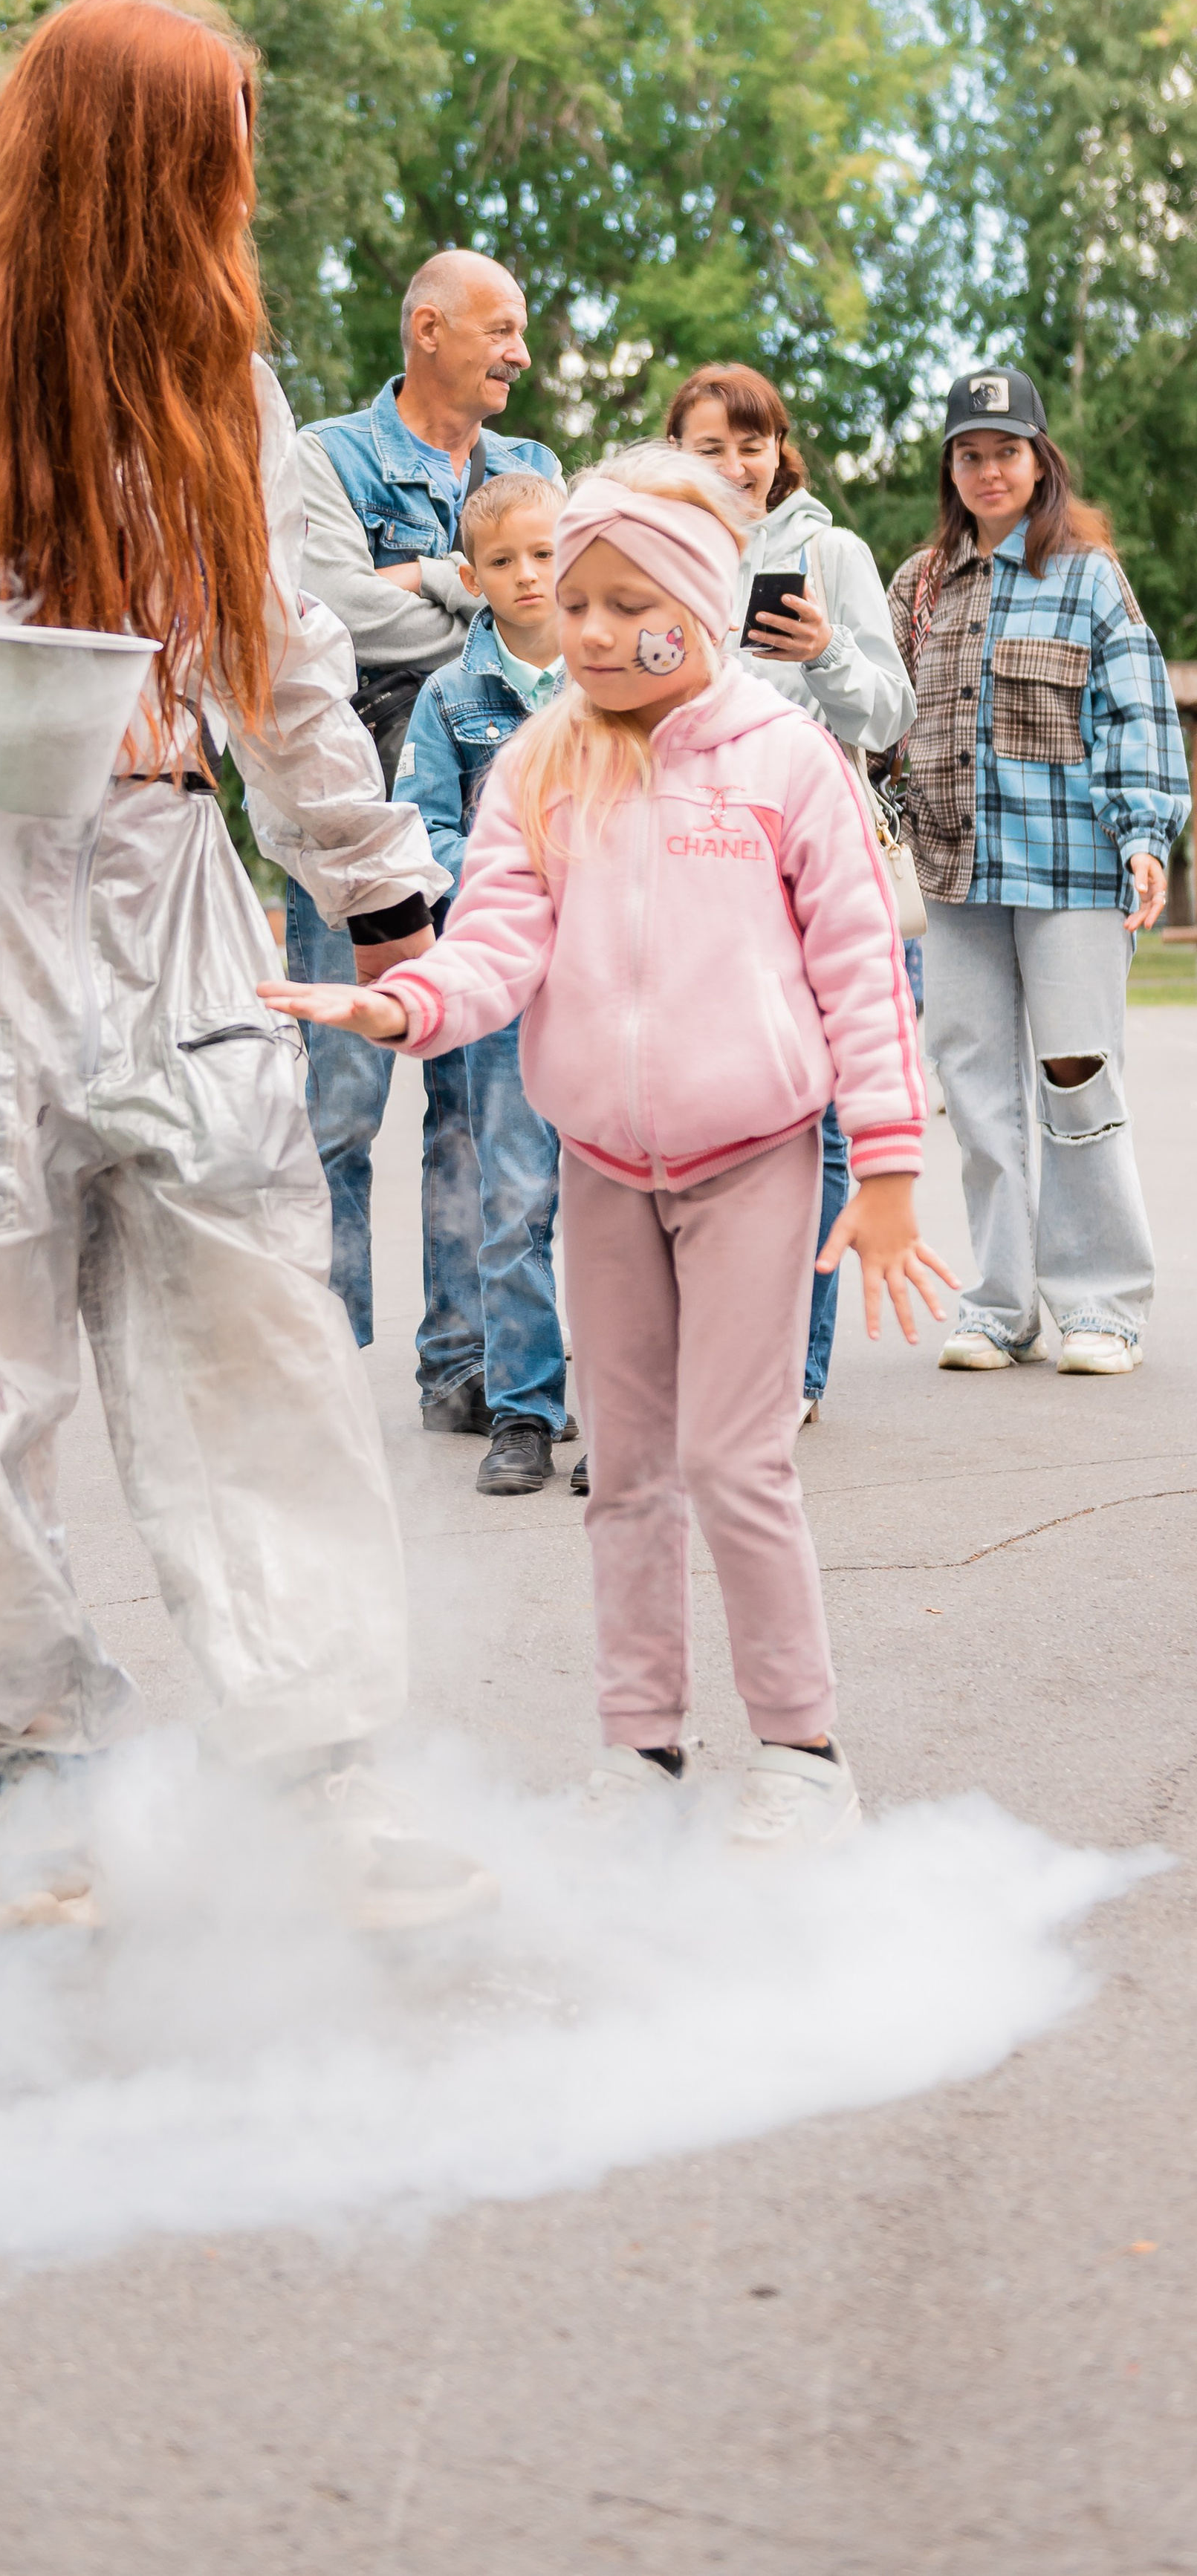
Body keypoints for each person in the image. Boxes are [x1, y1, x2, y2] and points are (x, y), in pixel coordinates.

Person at [0, 0, 490, 1929]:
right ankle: (42, 1780)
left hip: (176, 902)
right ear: (127, 158)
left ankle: (326, 1775)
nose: (239, 181)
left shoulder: (217, 391)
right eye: (215, 144)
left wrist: (388, 893)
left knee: (264, 1346)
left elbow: (288, 669)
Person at [262, 448, 955, 1853]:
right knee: (627, 1469)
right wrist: (405, 1000)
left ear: (696, 607)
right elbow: (499, 943)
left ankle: (804, 1755)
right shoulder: (539, 760)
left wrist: (884, 1170)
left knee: (735, 1459)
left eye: (623, 601)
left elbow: (860, 968)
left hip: (756, 1156)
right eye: (572, 601)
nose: (586, 630)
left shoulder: (785, 760)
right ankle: (641, 1750)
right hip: (603, 1171)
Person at [287, 253, 561, 1434]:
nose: (520, 353)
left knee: (469, 1107)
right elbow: (326, 612)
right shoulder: (326, 457)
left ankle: (463, 1361)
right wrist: (476, 587)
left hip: (497, 821)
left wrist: (424, 580)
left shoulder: (536, 469)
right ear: (428, 328)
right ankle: (328, 1367)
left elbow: (562, 604)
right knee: (343, 1106)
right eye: (501, 329)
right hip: (353, 821)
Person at [888, 367, 1190, 1376]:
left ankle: (1102, 1301)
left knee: (1077, 1073)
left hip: (1069, 866)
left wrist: (1146, 833)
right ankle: (1000, 1305)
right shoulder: (918, 585)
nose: (987, 470)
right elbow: (887, 731)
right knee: (976, 1091)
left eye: (1005, 451)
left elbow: (1138, 714)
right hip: (954, 872)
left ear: (1040, 459)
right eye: (969, 454)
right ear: (951, 466)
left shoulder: (1089, 574)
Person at [667, 361, 916, 1428]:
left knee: (812, 1121)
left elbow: (887, 710)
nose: (734, 463)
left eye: (752, 441)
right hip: (685, 859)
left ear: (781, 449)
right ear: (675, 452)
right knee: (695, 1106)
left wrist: (822, 655)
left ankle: (792, 1371)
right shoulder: (656, 549)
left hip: (808, 855)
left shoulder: (832, 550)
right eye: (710, 445)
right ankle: (698, 1347)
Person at [395, 470, 573, 1497]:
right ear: (472, 577)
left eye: (546, 553)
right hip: (507, 987)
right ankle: (523, 1411)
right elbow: (425, 825)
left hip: (612, 986)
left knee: (616, 1205)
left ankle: (631, 1412)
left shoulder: (611, 684)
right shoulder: (451, 697)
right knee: (513, 1200)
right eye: (503, 560)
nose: (528, 575)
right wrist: (509, 881)